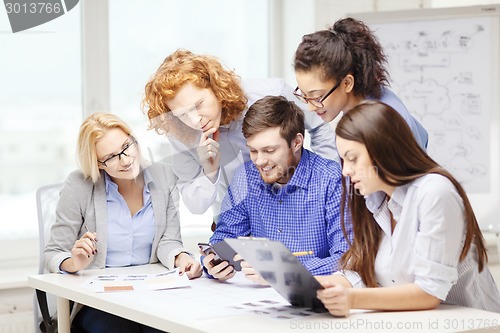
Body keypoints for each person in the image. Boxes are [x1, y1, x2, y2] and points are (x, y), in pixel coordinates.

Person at [315, 101, 500, 316]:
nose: (346, 171)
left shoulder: (435, 193)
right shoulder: (375, 201)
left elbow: (429, 292)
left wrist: (352, 299)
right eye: (343, 161)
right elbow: (361, 275)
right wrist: (313, 286)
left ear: (383, 149)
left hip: (474, 325)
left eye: (353, 159)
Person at [44, 112, 202, 333]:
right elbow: (52, 252)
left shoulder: (164, 175)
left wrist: (181, 257)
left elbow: (168, 241)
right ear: (98, 164)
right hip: (100, 301)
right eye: (111, 157)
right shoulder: (79, 185)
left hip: (152, 293)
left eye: (127, 147)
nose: (126, 160)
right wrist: (74, 263)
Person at [142, 49, 337, 226]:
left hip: (293, 211)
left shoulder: (269, 92)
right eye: (182, 114)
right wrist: (210, 171)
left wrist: (324, 187)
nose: (194, 121)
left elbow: (320, 128)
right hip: (231, 222)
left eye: (198, 105)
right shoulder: (179, 132)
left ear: (215, 88)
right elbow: (195, 205)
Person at [202, 96, 350, 282]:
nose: (259, 161)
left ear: (296, 142)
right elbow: (224, 237)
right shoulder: (246, 177)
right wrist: (211, 263)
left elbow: (347, 257)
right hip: (257, 299)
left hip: (315, 295)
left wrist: (284, 270)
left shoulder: (331, 180)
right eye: (253, 151)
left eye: (269, 151)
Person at [293, 17, 428, 151]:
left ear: (346, 83)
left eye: (316, 97)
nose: (310, 107)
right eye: (304, 96)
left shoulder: (379, 122)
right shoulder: (374, 102)